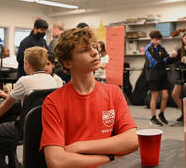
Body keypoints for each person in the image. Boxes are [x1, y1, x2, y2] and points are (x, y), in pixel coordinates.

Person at [40, 28, 138, 167]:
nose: (94, 52)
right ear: (68, 63)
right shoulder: (53, 102)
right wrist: (113, 158)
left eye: (94, 47)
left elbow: (133, 140)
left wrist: (80, 146)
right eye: (84, 50)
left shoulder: (113, 92)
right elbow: (56, 161)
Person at [0, 46, 62, 167]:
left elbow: (5, 106)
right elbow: (29, 100)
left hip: (22, 129)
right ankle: (13, 163)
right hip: (42, 127)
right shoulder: (52, 80)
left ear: (27, 64)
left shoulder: (24, 80)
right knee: (7, 125)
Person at [145, 30, 175, 126]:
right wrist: (163, 60)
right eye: (155, 39)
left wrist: (172, 56)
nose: (157, 41)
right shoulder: (148, 49)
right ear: (152, 39)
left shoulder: (161, 48)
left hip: (163, 74)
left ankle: (161, 114)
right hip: (153, 75)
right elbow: (153, 63)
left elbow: (166, 59)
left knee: (165, 95)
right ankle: (153, 117)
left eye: (159, 40)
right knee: (154, 96)